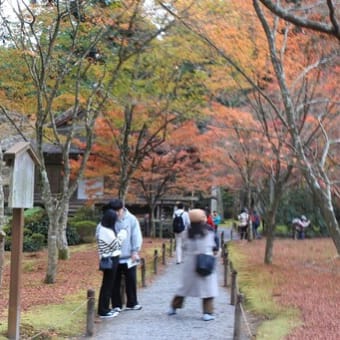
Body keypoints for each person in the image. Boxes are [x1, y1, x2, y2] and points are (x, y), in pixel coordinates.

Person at [168, 208, 219, 321]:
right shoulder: (208, 232)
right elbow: (214, 246)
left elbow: (184, 247)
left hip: (190, 263)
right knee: (208, 290)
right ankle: (208, 312)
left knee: (184, 288)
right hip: (205, 260)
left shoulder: (187, 233)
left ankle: (173, 307)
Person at [108, 199, 143, 311]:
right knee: (114, 281)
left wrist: (135, 251)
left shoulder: (131, 219)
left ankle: (132, 302)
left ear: (123, 208)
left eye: (118, 211)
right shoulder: (110, 218)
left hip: (129, 255)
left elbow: (136, 236)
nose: (117, 214)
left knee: (131, 280)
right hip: (114, 255)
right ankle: (116, 305)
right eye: (114, 211)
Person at [96, 208, 127, 318]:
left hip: (110, 259)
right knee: (107, 285)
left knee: (108, 285)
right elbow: (116, 245)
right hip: (110, 259)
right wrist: (123, 234)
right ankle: (103, 311)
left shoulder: (105, 229)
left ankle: (105, 308)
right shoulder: (106, 231)